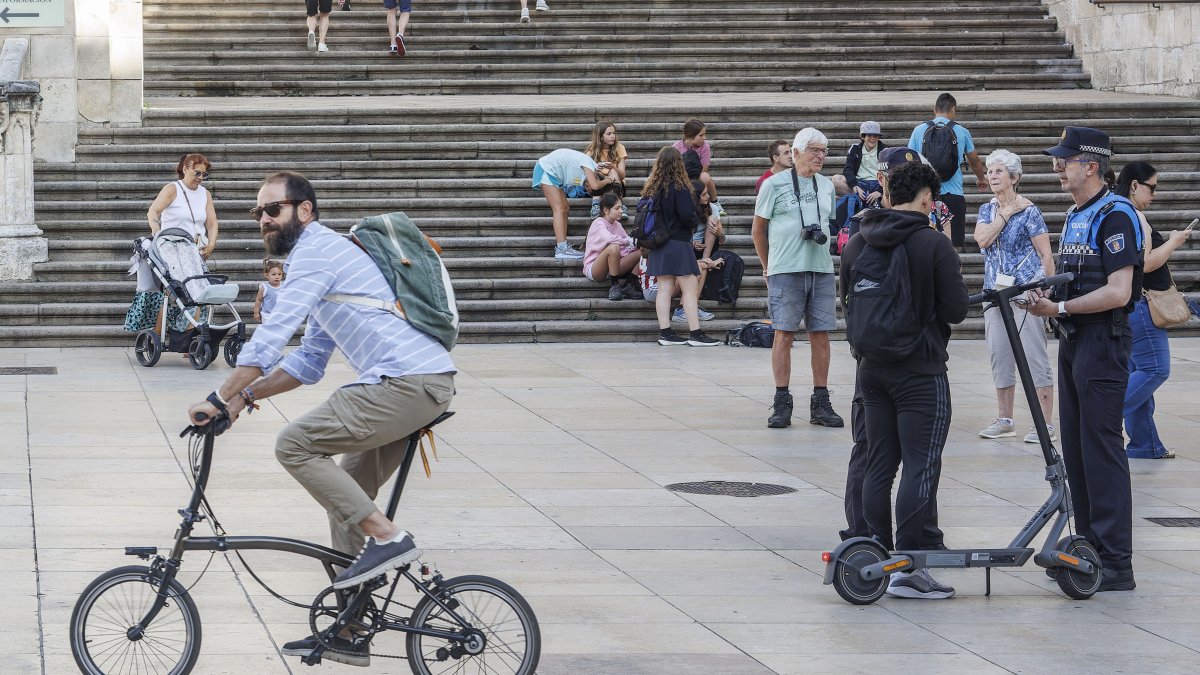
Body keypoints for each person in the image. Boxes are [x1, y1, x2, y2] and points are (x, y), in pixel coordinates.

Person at [187, 171, 456, 666]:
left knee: (294, 444)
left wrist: (218, 393)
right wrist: (241, 401)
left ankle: (392, 538)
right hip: (415, 383)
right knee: (346, 507)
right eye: (258, 213)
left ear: (304, 210)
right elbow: (307, 363)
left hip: (405, 381)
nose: (264, 220)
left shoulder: (316, 251)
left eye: (273, 210)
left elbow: (271, 339)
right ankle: (351, 631)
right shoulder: (322, 261)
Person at [840, 160, 969, 599]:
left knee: (879, 464)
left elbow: (847, 303)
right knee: (920, 465)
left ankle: (876, 555)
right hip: (920, 370)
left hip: (871, 369)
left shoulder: (857, 242)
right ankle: (910, 568)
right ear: (927, 200)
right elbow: (955, 309)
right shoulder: (932, 243)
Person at [1026, 126, 1142, 592]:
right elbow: (1074, 276)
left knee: (1101, 450)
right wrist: (1048, 292)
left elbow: (1119, 291)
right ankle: (1089, 549)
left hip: (1102, 343)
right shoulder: (1077, 214)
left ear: (1091, 166)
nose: (1058, 166)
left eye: (1065, 160)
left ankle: (1116, 562)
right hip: (1075, 341)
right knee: (1075, 451)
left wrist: (1059, 308)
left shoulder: (1116, 214)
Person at [751, 128, 843, 429]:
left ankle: (821, 401)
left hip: (820, 268)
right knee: (784, 333)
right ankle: (781, 401)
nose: (820, 156)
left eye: (824, 151)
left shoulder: (826, 186)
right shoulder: (774, 185)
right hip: (785, 268)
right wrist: (768, 266)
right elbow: (758, 229)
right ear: (797, 152)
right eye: (814, 150)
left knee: (821, 334)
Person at [974, 149, 1056, 443]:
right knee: (1000, 353)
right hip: (995, 291)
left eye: (998, 171)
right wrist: (1006, 213)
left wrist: (1046, 289)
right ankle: (1005, 418)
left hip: (1027, 290)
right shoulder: (987, 210)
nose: (992, 176)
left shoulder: (1031, 210)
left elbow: (1045, 252)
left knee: (1035, 354)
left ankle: (1045, 423)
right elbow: (982, 239)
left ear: (1014, 177)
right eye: (989, 171)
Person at [1114, 161, 1188, 460]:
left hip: (1135, 304)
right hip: (1143, 303)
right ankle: (1102, 419)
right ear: (1134, 185)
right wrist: (1173, 242)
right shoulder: (1131, 213)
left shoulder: (1122, 210)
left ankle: (1145, 444)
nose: (1154, 194)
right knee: (1155, 369)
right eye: (1152, 187)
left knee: (1138, 371)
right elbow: (1144, 262)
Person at [125, 154, 220, 334]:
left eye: (204, 175)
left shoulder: (205, 194)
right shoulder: (172, 189)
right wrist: (155, 228)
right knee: (175, 291)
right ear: (185, 169)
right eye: (197, 173)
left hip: (195, 250)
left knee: (198, 288)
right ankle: (160, 334)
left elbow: (212, 222)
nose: (200, 178)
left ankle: (191, 336)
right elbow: (153, 211)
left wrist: (212, 244)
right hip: (171, 248)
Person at [642, 147, 719, 347]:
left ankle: (666, 333)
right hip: (678, 241)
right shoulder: (680, 187)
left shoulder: (652, 187)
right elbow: (687, 216)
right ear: (679, 164)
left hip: (658, 243)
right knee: (690, 287)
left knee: (665, 288)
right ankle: (696, 333)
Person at [908, 93, 987, 250]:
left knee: (923, 244)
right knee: (953, 247)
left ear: (934, 109)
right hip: (954, 194)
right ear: (953, 109)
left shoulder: (918, 130)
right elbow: (975, 161)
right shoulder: (961, 131)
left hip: (925, 194)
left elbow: (909, 161)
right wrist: (981, 178)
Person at [532, 148, 613, 259]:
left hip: (552, 173)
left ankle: (563, 246)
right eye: (588, 188)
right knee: (559, 209)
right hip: (546, 170)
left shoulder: (591, 167)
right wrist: (608, 180)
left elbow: (594, 184)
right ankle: (561, 249)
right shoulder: (589, 166)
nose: (587, 187)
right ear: (597, 178)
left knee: (565, 207)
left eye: (587, 190)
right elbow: (595, 185)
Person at [584, 193, 641, 300]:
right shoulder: (598, 222)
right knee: (613, 247)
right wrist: (630, 241)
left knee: (644, 250)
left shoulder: (617, 224)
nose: (621, 211)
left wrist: (638, 244)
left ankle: (629, 284)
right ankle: (614, 286)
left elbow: (627, 246)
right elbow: (610, 239)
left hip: (613, 266)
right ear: (606, 210)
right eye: (617, 208)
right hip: (595, 269)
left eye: (621, 207)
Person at [672, 118, 723, 214]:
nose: (704, 138)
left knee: (705, 176)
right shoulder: (676, 147)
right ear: (691, 136)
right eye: (701, 135)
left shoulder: (705, 146)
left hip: (697, 175)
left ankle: (715, 202)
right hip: (681, 177)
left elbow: (705, 167)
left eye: (704, 134)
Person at [833, 121, 886, 203]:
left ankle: (876, 197)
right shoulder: (855, 149)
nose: (872, 138)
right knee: (836, 179)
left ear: (878, 137)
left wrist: (880, 191)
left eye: (875, 135)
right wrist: (854, 185)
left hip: (878, 183)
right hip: (859, 183)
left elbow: (888, 172)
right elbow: (848, 169)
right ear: (862, 137)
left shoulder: (885, 150)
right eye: (869, 135)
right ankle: (860, 197)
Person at [585, 121, 629, 219]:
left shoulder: (620, 148)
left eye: (614, 133)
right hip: (599, 184)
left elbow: (622, 175)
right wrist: (596, 169)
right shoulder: (592, 151)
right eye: (609, 134)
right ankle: (596, 205)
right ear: (600, 136)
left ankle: (618, 204)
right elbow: (587, 173)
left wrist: (612, 167)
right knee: (594, 173)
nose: (613, 136)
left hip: (616, 184)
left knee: (612, 172)